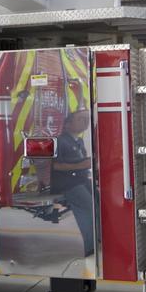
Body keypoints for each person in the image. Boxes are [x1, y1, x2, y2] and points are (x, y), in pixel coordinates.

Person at [52, 110, 95, 257]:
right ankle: (87, 247)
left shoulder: (79, 141)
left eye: (86, 119)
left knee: (100, 203)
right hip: (67, 184)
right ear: (68, 124)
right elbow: (55, 166)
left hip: (82, 180)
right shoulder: (60, 141)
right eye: (80, 119)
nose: (85, 121)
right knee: (88, 207)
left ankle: (99, 239)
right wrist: (81, 166)